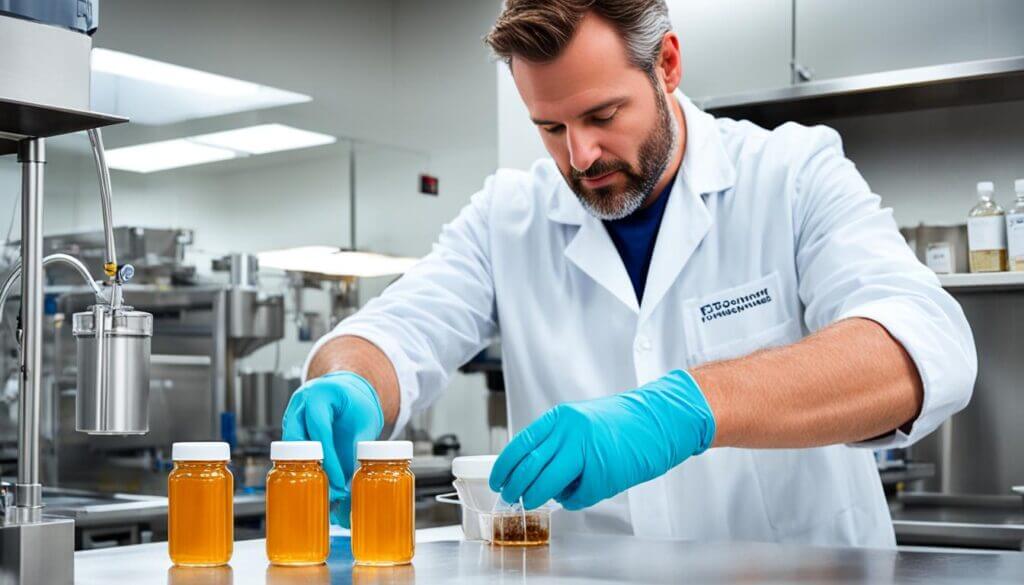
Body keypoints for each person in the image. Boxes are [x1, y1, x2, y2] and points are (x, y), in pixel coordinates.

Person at [283, 0, 975, 547]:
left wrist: (681, 411)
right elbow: (398, 330)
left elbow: (919, 347)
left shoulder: (790, 174)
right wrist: (352, 380)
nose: (580, 156)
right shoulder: (510, 215)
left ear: (667, 63)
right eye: (549, 128)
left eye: (602, 114)